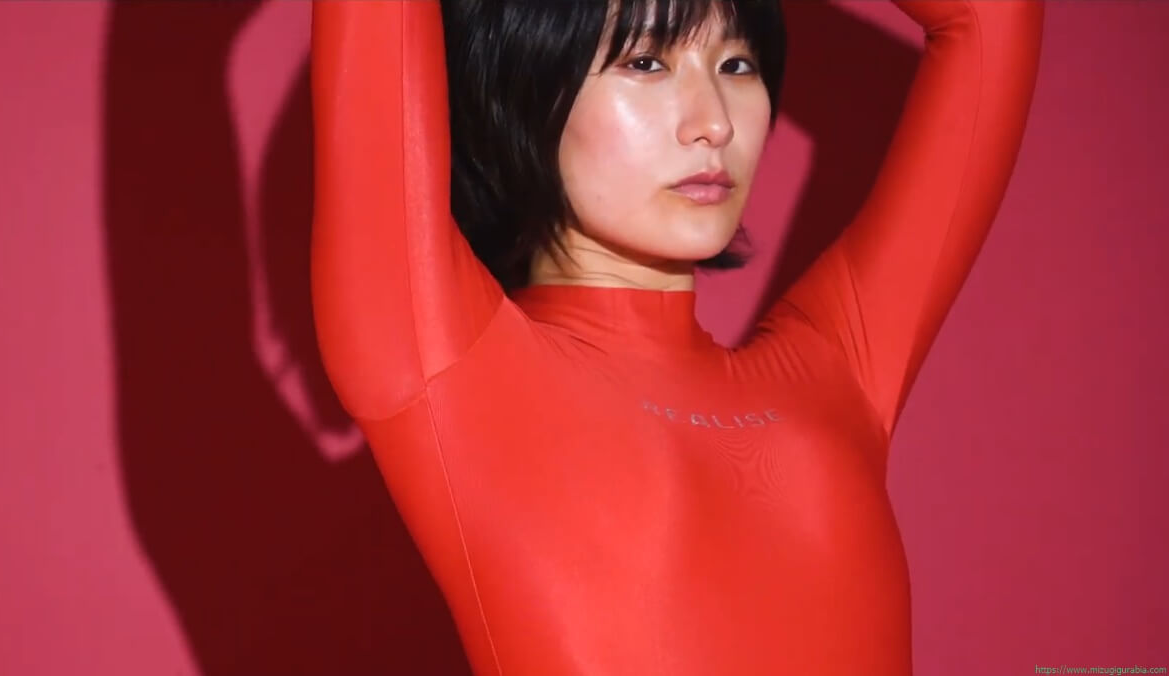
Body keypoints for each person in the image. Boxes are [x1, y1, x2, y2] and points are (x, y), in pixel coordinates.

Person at [309, 0, 1043, 672]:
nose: (714, 122)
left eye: (737, 65)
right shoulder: (445, 365)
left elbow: (993, 16)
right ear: (519, 90)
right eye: (646, 62)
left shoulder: (840, 368)